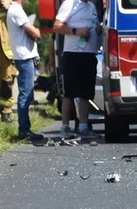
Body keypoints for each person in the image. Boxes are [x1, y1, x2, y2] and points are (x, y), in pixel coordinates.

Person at [54, 0, 102, 139]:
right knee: (70, 92)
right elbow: (57, 27)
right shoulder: (69, 4)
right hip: (73, 54)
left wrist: (98, 29)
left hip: (89, 53)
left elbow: (95, 25)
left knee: (86, 93)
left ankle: (83, 127)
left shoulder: (91, 6)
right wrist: (76, 31)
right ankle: (65, 127)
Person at [6, 0, 43, 140]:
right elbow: (35, 33)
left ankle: (25, 128)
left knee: (27, 93)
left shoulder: (15, 10)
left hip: (24, 56)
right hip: (24, 57)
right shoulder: (16, 10)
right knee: (25, 94)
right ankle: (24, 130)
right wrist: (37, 30)